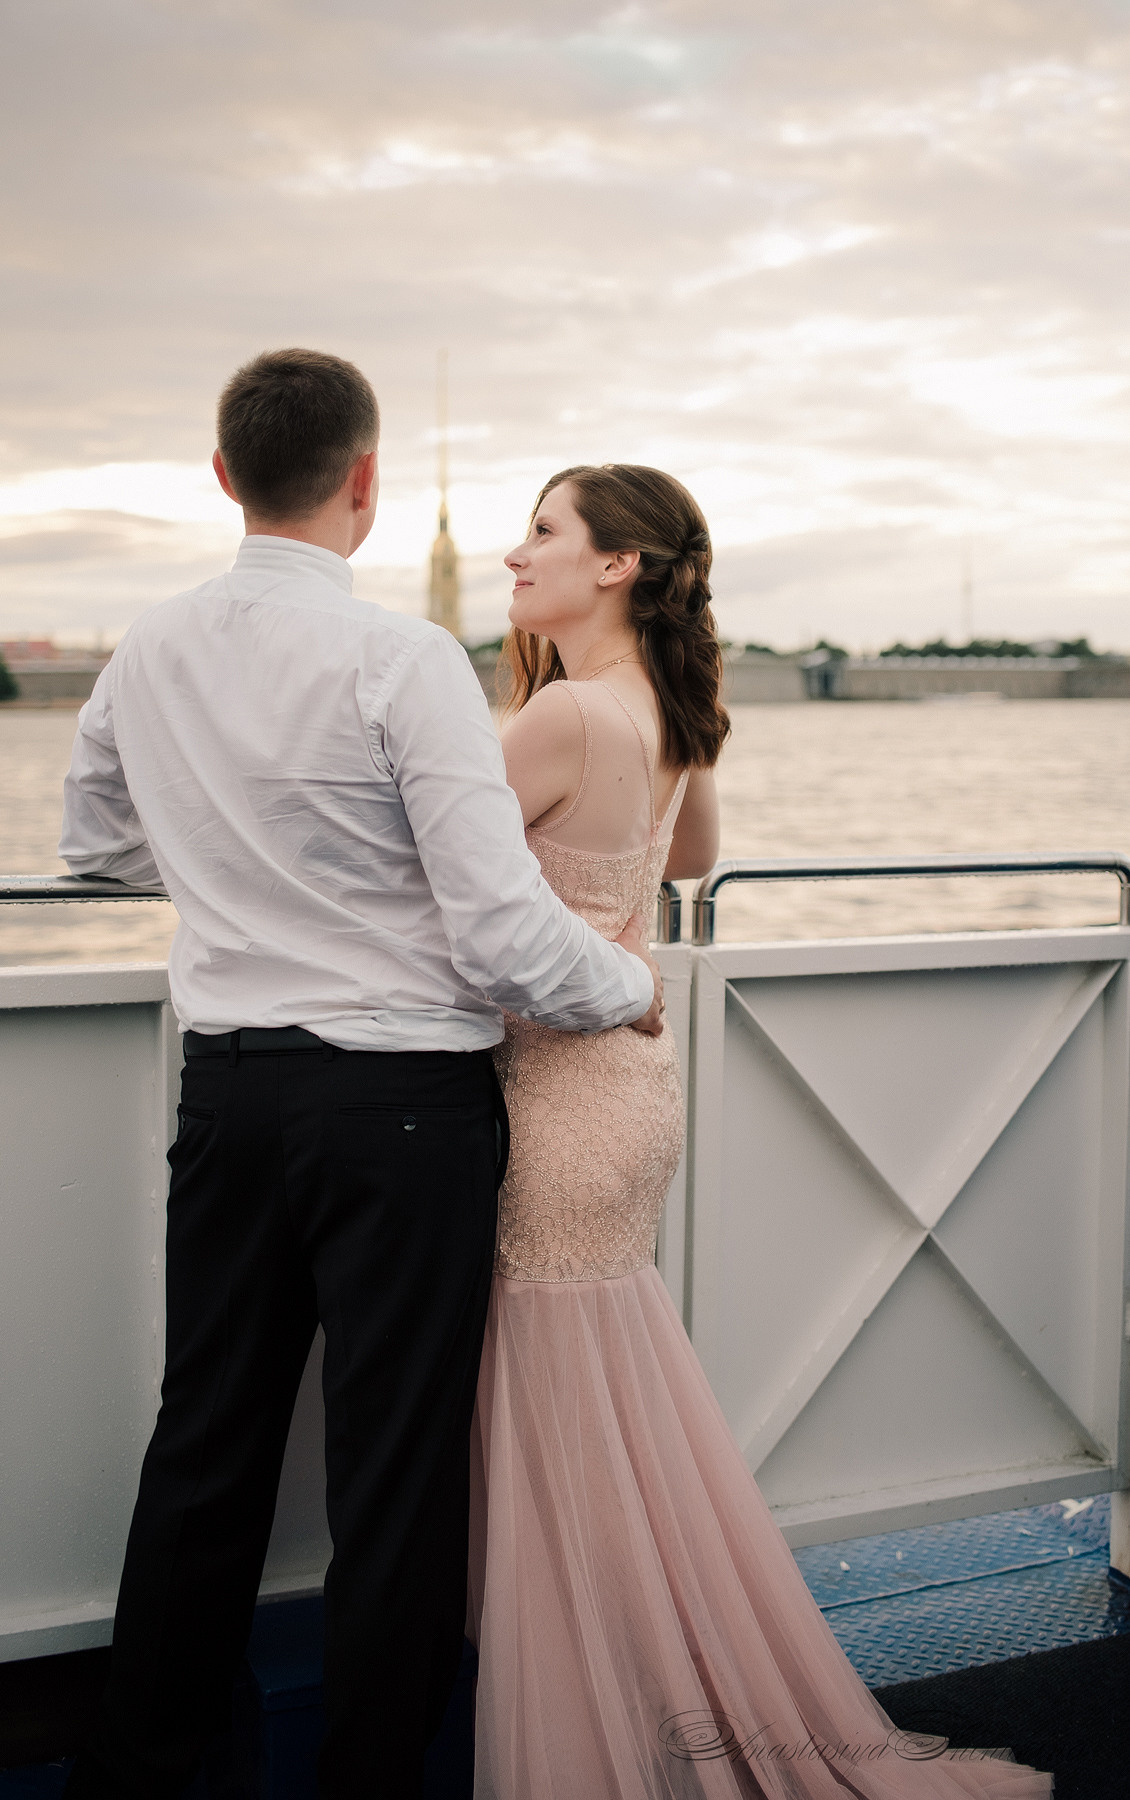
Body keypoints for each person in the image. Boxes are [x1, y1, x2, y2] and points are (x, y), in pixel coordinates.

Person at [56, 350, 666, 1800]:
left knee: (205, 1442)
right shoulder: (401, 663)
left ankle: (149, 1774)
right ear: (366, 484)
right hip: (400, 1109)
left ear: (225, 479)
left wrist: (228, 860)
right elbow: (500, 926)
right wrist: (629, 987)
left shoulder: (147, 649)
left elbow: (93, 848)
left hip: (230, 1095)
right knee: (394, 1473)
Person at [466, 464, 1053, 1800]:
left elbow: (414, 869)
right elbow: (679, 865)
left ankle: (592, 1737)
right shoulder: (662, 709)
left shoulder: (559, 714)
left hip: (553, 1096)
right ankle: (651, 1691)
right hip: (628, 1096)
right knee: (613, 1407)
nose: (515, 554)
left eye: (542, 533)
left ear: (616, 565)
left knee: (560, 1428)